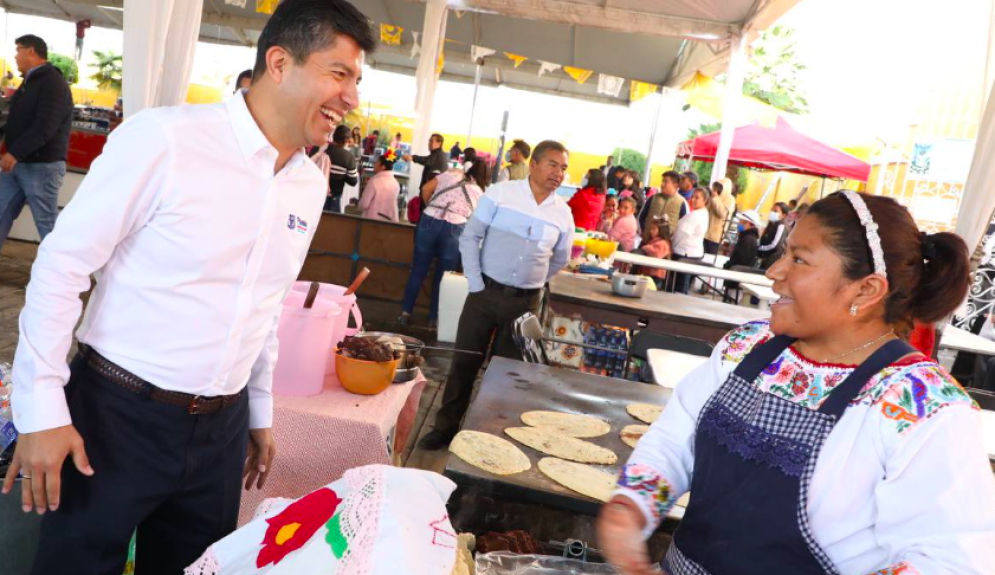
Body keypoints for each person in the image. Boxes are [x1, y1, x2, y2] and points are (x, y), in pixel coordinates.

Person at [0, 2, 374, 574]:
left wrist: (258, 409)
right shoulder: (166, 140)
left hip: (220, 436)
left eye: (356, 80)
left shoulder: (305, 180)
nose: (350, 97)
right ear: (279, 62)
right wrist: (41, 409)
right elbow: (61, 267)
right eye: (339, 73)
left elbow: (264, 301)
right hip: (117, 417)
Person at [598, 190, 995, 575]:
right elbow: (675, 440)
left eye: (799, 259)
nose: (774, 272)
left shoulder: (921, 408)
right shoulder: (748, 348)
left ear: (866, 289)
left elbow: (950, 561)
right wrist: (631, 508)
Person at [418, 141, 574, 450]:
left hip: (524, 303)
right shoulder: (501, 194)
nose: (559, 173)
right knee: (465, 362)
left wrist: (536, 283)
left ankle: (488, 436)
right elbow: (470, 236)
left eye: (564, 168)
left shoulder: (563, 213)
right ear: (534, 165)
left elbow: (560, 258)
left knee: (507, 373)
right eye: (553, 164)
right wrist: (476, 284)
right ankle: (445, 428)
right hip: (484, 293)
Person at [0, 35, 74, 250]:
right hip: (16, 164)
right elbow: (17, 120)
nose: (15, 56)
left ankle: (61, 278)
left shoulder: (52, 82)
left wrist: (15, 153)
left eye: (18, 50)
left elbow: (45, 126)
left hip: (42, 167)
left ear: (31, 51)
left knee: (47, 225)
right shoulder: (31, 81)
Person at [398, 158, 490, 328]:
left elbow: (425, 188)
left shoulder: (449, 175)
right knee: (443, 277)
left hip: (429, 220)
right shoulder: (480, 193)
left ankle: (405, 313)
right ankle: (433, 319)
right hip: (455, 227)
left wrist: (430, 207)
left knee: (418, 270)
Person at [668, 187, 709, 293]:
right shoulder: (704, 213)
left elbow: (681, 235)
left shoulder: (695, 215)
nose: (693, 200)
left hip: (685, 254)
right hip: (695, 254)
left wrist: (672, 246)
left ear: (705, 201)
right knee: (683, 287)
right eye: (692, 197)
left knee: (679, 288)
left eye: (697, 198)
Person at [639, 170, 687, 243]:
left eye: (665, 181)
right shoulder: (653, 198)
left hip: (666, 246)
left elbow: (683, 227)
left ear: (675, 184)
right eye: (662, 181)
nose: (662, 184)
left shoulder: (682, 202)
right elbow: (641, 217)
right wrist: (644, 232)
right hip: (647, 241)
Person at [324, 124, 358, 212]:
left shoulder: (321, 149)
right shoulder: (348, 157)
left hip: (316, 195)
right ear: (346, 140)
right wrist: (342, 175)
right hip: (334, 197)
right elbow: (353, 181)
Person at [358, 150, 400, 221]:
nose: (374, 164)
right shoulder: (396, 183)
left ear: (383, 166)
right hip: (390, 221)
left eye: (376, 162)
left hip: (372, 221)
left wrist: (359, 203)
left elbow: (364, 204)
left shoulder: (374, 182)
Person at [634, 218, 670, 289]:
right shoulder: (654, 241)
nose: (651, 231)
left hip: (656, 275)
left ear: (661, 231)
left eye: (654, 229)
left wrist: (646, 247)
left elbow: (656, 254)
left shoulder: (663, 243)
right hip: (649, 272)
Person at [758, 201, 790, 269]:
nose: (772, 213)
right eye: (771, 210)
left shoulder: (781, 226)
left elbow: (775, 245)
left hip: (772, 262)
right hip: (765, 260)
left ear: (783, 215)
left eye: (775, 211)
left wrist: (760, 248)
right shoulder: (772, 225)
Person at [703, 180, 730, 255]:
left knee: (709, 257)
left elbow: (722, 213)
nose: (712, 191)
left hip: (713, 237)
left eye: (714, 189)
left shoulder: (724, 201)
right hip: (705, 234)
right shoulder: (712, 199)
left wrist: (715, 198)